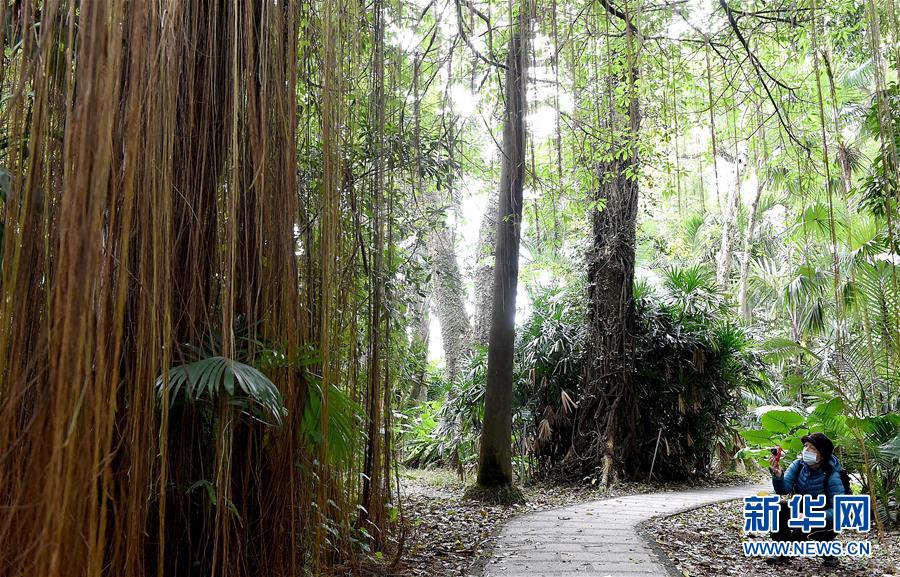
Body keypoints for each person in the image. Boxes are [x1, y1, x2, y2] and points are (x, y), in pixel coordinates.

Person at [766, 432, 846, 567]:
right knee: (779, 509)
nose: (806, 450)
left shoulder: (833, 476)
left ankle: (828, 552)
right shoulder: (799, 465)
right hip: (802, 509)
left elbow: (838, 511)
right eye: (805, 446)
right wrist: (778, 476)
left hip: (824, 516)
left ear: (822, 454)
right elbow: (783, 490)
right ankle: (780, 551)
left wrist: (812, 516)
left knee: (801, 533)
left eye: (811, 448)